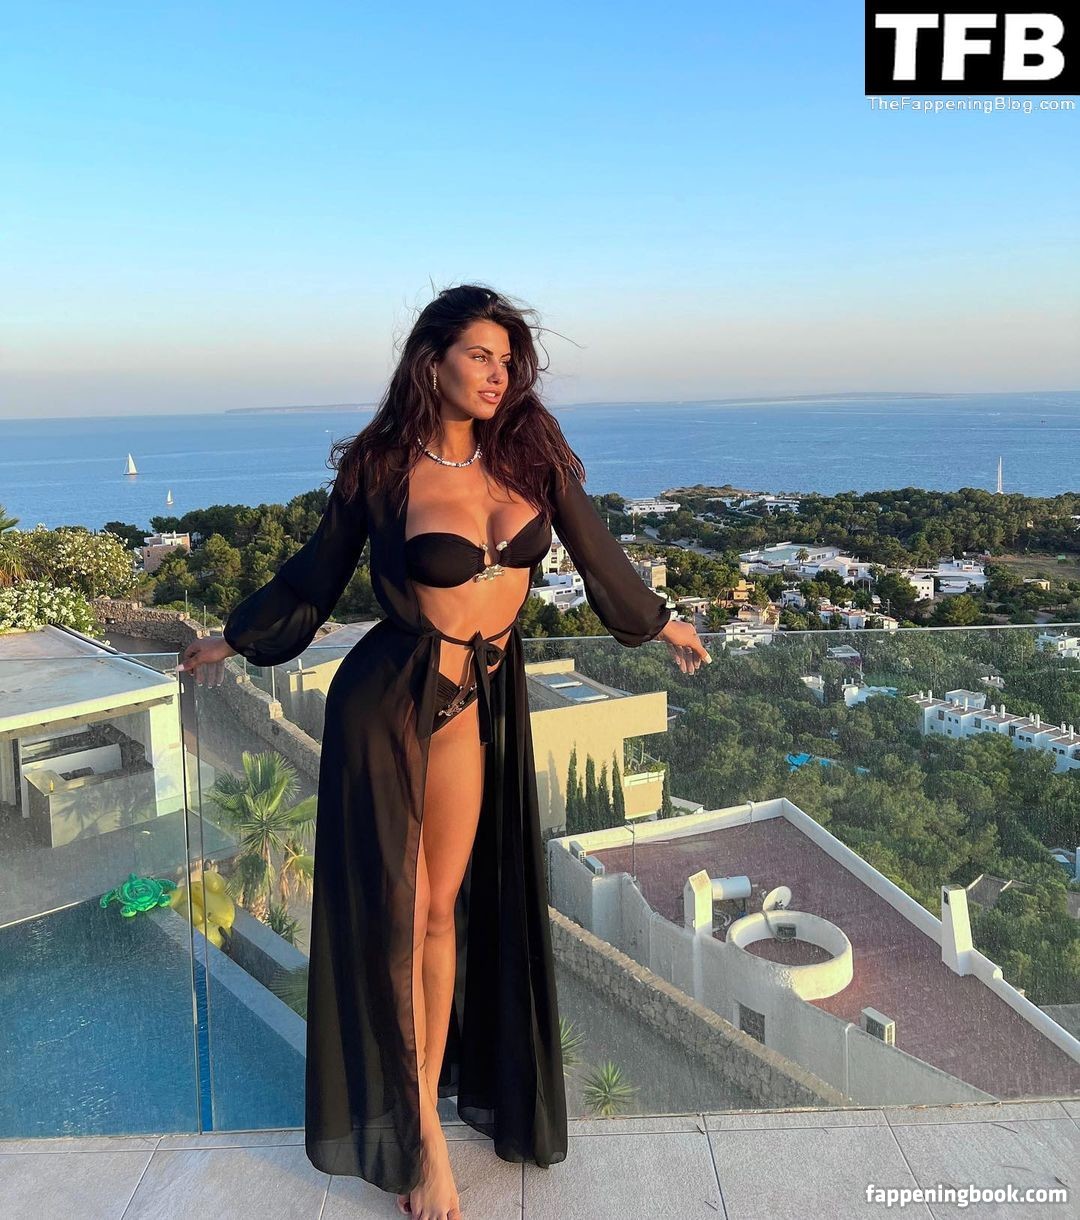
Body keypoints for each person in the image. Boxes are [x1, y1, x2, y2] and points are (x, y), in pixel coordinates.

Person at [179, 284, 711, 1220]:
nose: (498, 375)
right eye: (480, 356)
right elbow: (315, 572)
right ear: (433, 362)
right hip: (388, 703)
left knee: (439, 915)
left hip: (479, 702)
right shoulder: (384, 468)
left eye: (508, 360)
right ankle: (421, 1139)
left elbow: (596, 552)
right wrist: (235, 638)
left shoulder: (532, 454)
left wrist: (660, 621)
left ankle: (423, 1103)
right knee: (400, 915)